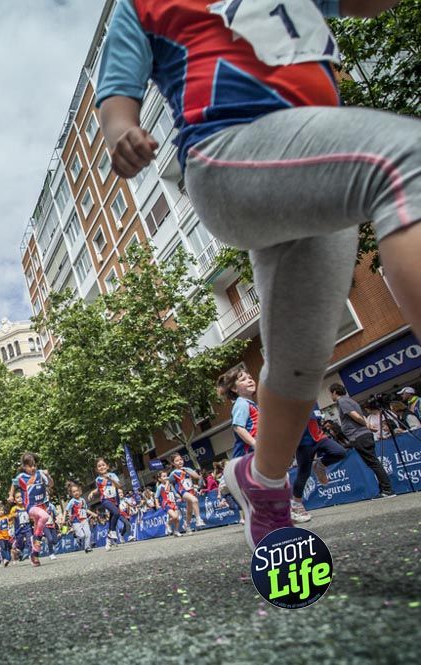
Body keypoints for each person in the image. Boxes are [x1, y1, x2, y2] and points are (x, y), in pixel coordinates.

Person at [98, 0, 421, 552]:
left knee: (301, 356)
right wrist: (122, 130)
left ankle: (263, 481)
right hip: (229, 154)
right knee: (405, 161)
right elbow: (115, 97)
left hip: (318, 168)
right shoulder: (141, 5)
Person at [330, 383, 395, 498]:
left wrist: (366, 425)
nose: (331, 396)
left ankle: (387, 490)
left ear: (335, 392)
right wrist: (368, 426)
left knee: (373, 463)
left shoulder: (342, 401)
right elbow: (361, 416)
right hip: (362, 435)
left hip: (358, 436)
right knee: (373, 462)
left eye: (331, 393)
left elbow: (355, 416)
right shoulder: (351, 401)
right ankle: (384, 489)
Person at [292, 406, 348, 519]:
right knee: (304, 474)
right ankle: (297, 504)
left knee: (340, 452)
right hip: (303, 443)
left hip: (319, 437)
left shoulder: (313, 401)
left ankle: (320, 465)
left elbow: (317, 419)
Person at [7, 452, 53, 567]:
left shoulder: (40, 474)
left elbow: (51, 484)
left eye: (34, 465)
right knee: (45, 517)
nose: (32, 468)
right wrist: (11, 495)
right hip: (31, 506)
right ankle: (35, 540)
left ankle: (34, 555)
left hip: (42, 505)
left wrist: (48, 476)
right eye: (29, 466)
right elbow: (13, 484)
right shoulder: (21, 477)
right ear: (24, 466)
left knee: (39, 530)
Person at [217, 368, 259, 459]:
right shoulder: (241, 403)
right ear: (234, 388)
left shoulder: (253, 405)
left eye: (250, 378)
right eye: (243, 379)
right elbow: (238, 428)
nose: (249, 380)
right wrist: (255, 444)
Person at [86, 458, 122, 551]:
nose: (101, 467)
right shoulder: (98, 479)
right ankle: (112, 533)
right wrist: (92, 492)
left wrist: (110, 478)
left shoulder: (112, 475)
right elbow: (100, 489)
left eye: (103, 465)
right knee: (116, 513)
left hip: (115, 499)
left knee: (113, 517)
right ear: (97, 469)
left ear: (107, 466)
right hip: (105, 500)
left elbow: (119, 486)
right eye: (99, 466)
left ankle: (109, 539)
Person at [168, 453, 205, 533]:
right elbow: (169, 483)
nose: (180, 462)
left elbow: (197, 477)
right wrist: (176, 493)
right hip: (182, 491)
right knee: (194, 500)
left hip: (190, 490)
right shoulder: (173, 473)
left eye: (181, 459)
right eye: (177, 461)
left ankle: (186, 525)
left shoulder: (187, 469)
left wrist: (187, 471)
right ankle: (198, 519)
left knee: (189, 511)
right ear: (173, 463)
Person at [65, 481, 97, 554]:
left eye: (77, 491)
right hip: (76, 521)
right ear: (71, 494)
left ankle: (87, 547)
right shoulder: (72, 501)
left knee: (88, 533)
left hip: (84, 520)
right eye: (74, 492)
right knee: (82, 535)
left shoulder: (82, 500)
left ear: (79, 491)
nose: (76, 493)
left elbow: (85, 509)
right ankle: (78, 537)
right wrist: (64, 519)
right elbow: (66, 510)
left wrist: (93, 513)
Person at [155, 471, 183, 537]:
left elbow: (175, 493)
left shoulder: (170, 485)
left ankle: (176, 531)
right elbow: (156, 497)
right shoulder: (160, 487)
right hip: (166, 504)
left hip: (173, 503)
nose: (166, 477)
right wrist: (157, 504)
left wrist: (180, 497)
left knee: (177, 518)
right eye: (164, 476)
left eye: (166, 476)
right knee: (174, 516)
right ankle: (167, 523)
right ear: (160, 479)